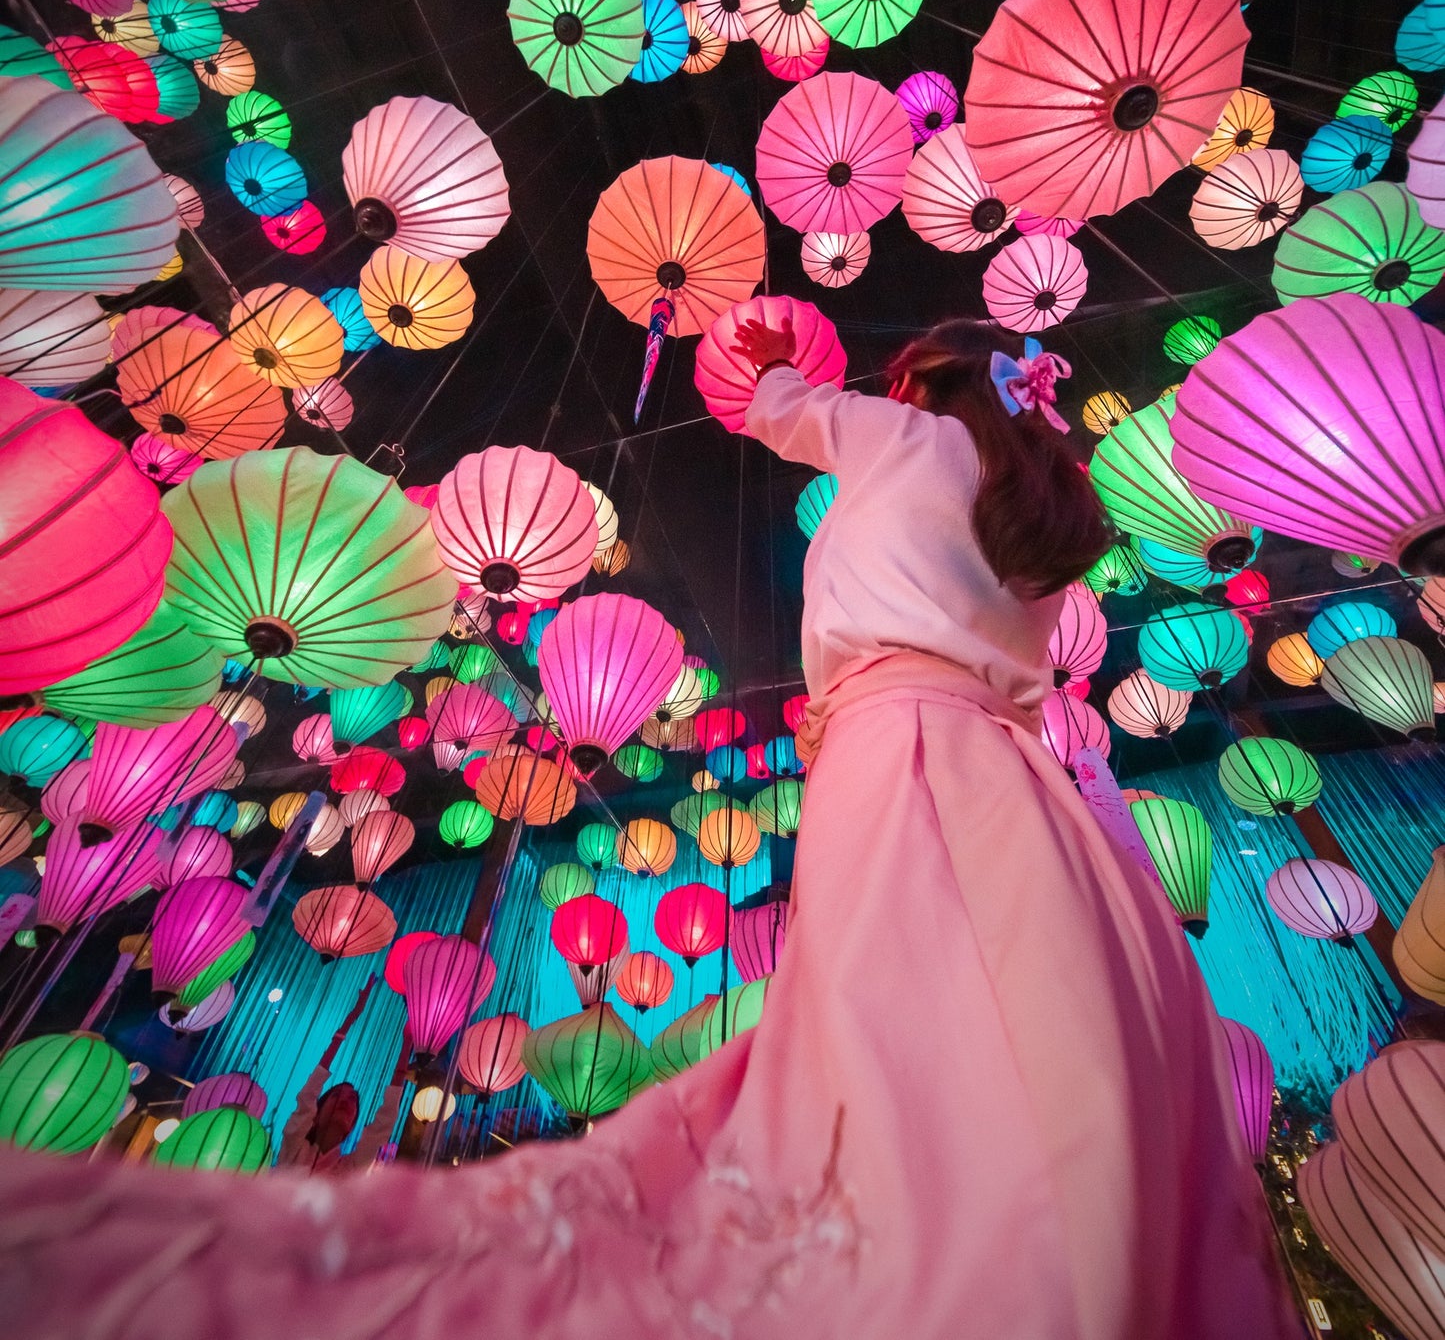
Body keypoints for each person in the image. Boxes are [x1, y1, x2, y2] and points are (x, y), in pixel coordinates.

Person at [0, 319, 1296, 1340]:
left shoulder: (903, 443)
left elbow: (778, 408)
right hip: (1032, 789)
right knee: (1059, 1036)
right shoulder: (1045, 529)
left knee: (898, 1033)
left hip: (898, 754)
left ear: (924, 394)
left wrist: (775, 360)